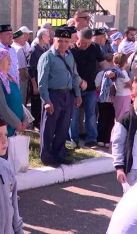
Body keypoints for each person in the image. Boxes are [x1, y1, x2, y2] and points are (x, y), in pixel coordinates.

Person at [38, 27, 82, 167]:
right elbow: (42, 82)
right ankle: (46, 157)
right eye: (60, 41)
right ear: (53, 40)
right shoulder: (47, 57)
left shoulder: (70, 56)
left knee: (63, 126)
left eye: (66, 41)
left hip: (67, 95)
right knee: (49, 127)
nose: (63, 44)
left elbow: (75, 76)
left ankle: (59, 154)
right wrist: (46, 101)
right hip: (53, 95)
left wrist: (78, 94)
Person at [70, 28, 108, 148]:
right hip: (74, 89)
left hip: (91, 88)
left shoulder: (95, 47)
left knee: (91, 114)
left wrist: (110, 72)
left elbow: (103, 63)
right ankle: (73, 139)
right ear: (77, 39)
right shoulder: (71, 50)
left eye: (88, 43)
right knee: (74, 116)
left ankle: (91, 139)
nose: (86, 45)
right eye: (83, 43)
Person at [112, 76, 137, 189]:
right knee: (135, 203)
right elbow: (118, 144)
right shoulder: (126, 120)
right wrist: (119, 169)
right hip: (135, 172)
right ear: (133, 97)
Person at [0, 46, 26, 139]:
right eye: (6, 58)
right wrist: (16, 123)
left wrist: (25, 118)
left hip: (14, 129)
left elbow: (17, 101)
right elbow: (1, 107)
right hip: (1, 129)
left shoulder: (9, 78)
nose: (10, 60)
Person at [27, 28, 50, 130]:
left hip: (43, 81)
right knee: (35, 104)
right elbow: (30, 69)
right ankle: (35, 124)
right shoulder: (33, 50)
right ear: (43, 36)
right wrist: (35, 86)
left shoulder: (44, 49)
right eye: (48, 36)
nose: (49, 38)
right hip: (35, 81)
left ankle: (40, 123)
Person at [95, 53, 115, 148]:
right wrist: (107, 88)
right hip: (102, 101)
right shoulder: (101, 74)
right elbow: (97, 86)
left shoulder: (116, 74)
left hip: (112, 101)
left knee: (110, 120)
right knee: (102, 119)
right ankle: (100, 138)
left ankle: (107, 139)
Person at [112, 53, 133, 121]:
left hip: (121, 96)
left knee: (119, 117)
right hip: (123, 97)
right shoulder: (122, 72)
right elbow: (131, 85)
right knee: (121, 119)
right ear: (126, 62)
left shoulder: (116, 71)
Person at [12, 30, 29, 105]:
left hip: (12, 78)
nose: (24, 40)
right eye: (22, 38)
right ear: (17, 39)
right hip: (20, 79)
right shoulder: (19, 49)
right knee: (21, 100)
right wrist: (24, 79)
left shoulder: (11, 47)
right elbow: (21, 68)